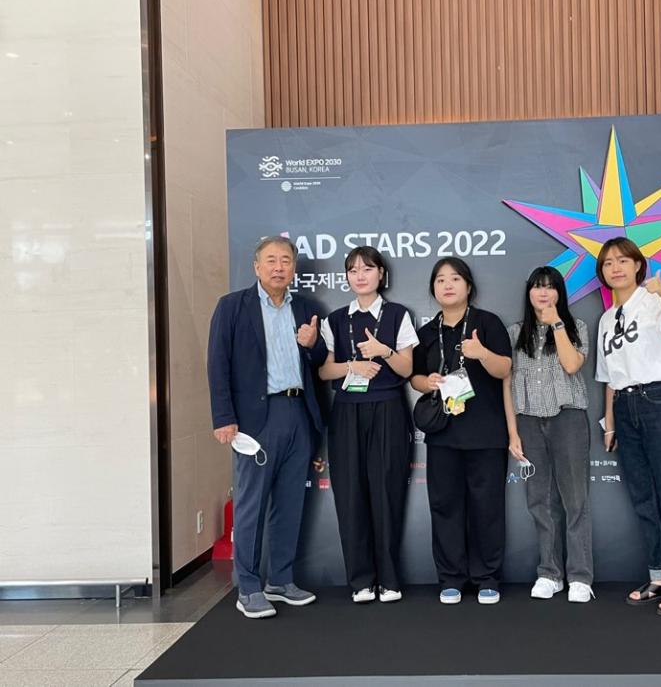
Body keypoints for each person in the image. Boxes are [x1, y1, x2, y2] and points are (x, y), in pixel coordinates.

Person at [207, 236, 326, 619]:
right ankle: (248, 586)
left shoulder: (305, 308)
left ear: (294, 268)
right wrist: (223, 417)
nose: (279, 267)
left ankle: (281, 580)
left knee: (290, 503)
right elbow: (217, 364)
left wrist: (313, 344)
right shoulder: (232, 307)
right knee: (251, 505)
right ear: (256, 266)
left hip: (298, 413)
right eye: (271, 260)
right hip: (255, 419)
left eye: (286, 260)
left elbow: (320, 363)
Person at [595, 236, 661, 617]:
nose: (616, 268)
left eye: (623, 260)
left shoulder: (654, 301)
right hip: (625, 407)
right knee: (644, 498)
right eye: (608, 263)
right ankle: (660, 575)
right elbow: (609, 377)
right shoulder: (607, 319)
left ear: (638, 265)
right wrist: (610, 425)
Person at [318, 246, 418, 603]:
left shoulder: (397, 314)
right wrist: (352, 366)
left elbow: (407, 369)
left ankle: (388, 579)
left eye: (367, 268)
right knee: (350, 493)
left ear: (381, 274)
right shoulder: (335, 319)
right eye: (353, 270)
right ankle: (360, 580)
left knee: (387, 491)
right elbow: (324, 371)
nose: (360, 275)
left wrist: (384, 351)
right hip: (347, 410)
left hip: (388, 408)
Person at [410, 257, 512, 605]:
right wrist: (427, 382)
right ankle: (451, 578)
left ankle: (487, 578)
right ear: (433, 289)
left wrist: (481, 352)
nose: (447, 285)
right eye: (440, 280)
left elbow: (504, 369)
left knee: (488, 508)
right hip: (443, 435)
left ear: (468, 286)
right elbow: (414, 377)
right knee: (445, 506)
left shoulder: (487, 323)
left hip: (486, 434)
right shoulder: (427, 332)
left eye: (454, 278)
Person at [503, 266, 594, 603]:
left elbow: (571, 365)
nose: (543, 293)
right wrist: (512, 432)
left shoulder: (576, 327)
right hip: (528, 421)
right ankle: (549, 573)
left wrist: (556, 323)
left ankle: (581, 576)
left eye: (550, 287)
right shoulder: (516, 333)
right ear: (528, 292)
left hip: (568, 418)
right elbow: (507, 384)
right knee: (540, 500)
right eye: (537, 287)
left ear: (560, 293)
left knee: (575, 499)